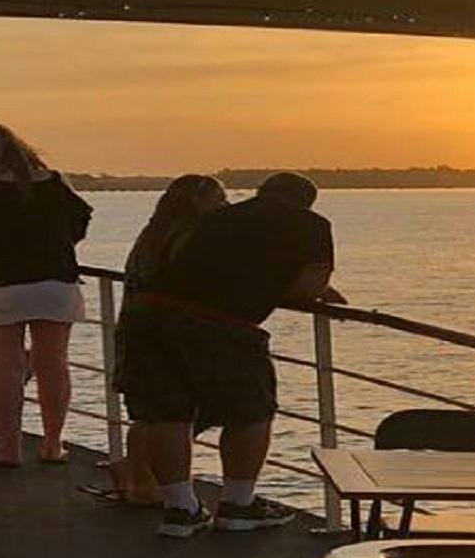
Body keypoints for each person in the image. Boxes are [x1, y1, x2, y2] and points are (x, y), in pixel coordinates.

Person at [117, 171, 340, 537]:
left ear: (261, 192)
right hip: (223, 324)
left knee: (167, 414)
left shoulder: (218, 217)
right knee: (250, 412)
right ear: (307, 202)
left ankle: (180, 509)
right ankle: (238, 504)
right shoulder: (312, 225)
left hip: (151, 318)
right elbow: (307, 287)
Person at [0, 124, 91, 467]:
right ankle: (52, 444)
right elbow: (78, 225)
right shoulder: (56, 182)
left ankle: (9, 446)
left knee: (5, 365)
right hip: (54, 283)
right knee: (53, 363)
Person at [89, 174, 228, 506]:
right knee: (180, 411)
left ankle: (139, 477)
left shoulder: (153, 235)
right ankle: (145, 479)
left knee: (149, 412)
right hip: (168, 332)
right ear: (199, 202)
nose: (225, 206)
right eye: (219, 199)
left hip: (137, 327)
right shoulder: (189, 238)